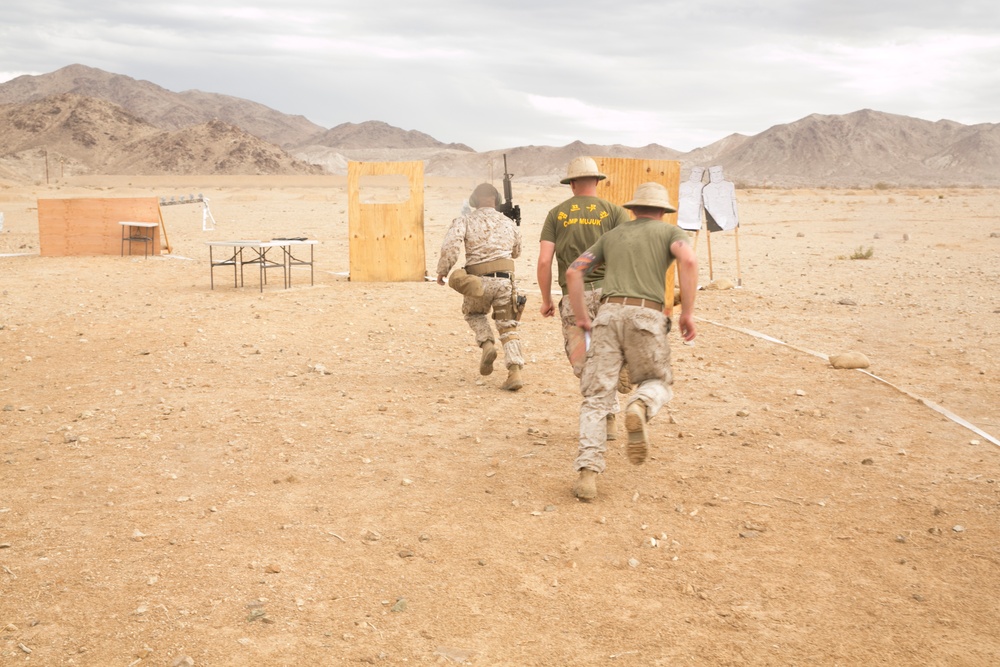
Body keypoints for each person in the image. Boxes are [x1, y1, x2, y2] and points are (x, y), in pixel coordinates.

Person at [565, 181, 698, 501]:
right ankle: (640, 405)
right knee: (658, 382)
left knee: (597, 395)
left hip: (608, 315)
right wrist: (687, 313)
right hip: (646, 316)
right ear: (663, 212)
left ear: (633, 208)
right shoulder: (671, 234)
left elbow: (574, 271)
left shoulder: (612, 236)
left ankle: (588, 473)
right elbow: (689, 261)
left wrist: (583, 316)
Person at [537, 157, 631, 437]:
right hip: (609, 293)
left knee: (582, 361)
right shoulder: (615, 213)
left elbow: (544, 261)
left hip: (573, 296)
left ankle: (604, 413)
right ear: (597, 181)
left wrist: (546, 299)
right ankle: (611, 410)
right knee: (609, 351)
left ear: (572, 184)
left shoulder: (556, 214)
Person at [437, 183, 525, 391]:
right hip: (505, 281)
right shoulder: (509, 223)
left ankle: (486, 344)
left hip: (478, 282)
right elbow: (517, 252)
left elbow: (451, 246)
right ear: (498, 201)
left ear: (474, 201)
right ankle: (514, 372)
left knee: (474, 314)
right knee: (508, 326)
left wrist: (443, 270)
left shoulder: (465, 220)